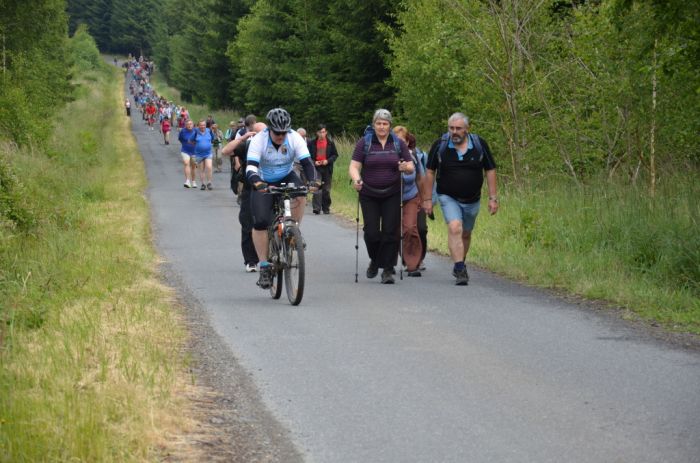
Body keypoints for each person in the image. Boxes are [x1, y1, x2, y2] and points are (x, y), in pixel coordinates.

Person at [246, 108, 318, 289]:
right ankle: (263, 265)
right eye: (277, 133)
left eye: (283, 132)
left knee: (301, 192)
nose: (280, 136)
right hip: (262, 179)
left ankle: (294, 230)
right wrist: (258, 183)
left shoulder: (295, 138)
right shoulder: (258, 140)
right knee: (261, 221)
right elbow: (251, 168)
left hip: (286, 175)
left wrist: (312, 181)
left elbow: (307, 163)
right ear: (270, 129)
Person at [424, 112, 498, 285]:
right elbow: (429, 171)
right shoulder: (440, 145)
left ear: (467, 129)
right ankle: (459, 268)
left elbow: (490, 170)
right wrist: (428, 199)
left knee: (466, 232)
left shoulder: (479, 145)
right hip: (447, 195)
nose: (454, 132)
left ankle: (461, 262)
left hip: (473, 198)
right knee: (455, 227)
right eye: (451, 128)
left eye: (458, 128)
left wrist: (493, 198)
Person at [348, 109, 414, 284]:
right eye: (379, 123)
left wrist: (404, 167)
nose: (382, 127)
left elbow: (410, 166)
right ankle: (376, 260)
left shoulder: (398, 143)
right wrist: (357, 179)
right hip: (369, 193)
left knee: (390, 232)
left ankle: (388, 269)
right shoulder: (365, 143)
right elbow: (354, 166)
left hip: (392, 192)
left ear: (390, 125)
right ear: (374, 124)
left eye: (385, 124)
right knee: (371, 233)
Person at [222, 123, 263, 272]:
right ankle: (251, 261)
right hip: (250, 188)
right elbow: (225, 151)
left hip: (269, 188)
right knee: (247, 223)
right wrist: (243, 138)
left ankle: (273, 255)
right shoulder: (247, 145)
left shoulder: (272, 145)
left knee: (270, 221)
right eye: (258, 133)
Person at [393, 125, 427, 277]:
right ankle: (391, 261)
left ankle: (413, 263)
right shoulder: (387, 156)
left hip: (411, 197)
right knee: (394, 230)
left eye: (402, 141)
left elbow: (420, 179)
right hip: (392, 197)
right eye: (395, 141)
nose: (399, 144)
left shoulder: (414, 157)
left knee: (410, 228)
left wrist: (425, 199)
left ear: (407, 142)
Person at [308, 124, 339, 215]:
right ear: (317, 133)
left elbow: (335, 155)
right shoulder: (312, 143)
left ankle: (326, 208)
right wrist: (314, 162)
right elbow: (307, 156)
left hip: (327, 168)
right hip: (316, 168)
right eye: (320, 132)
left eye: (324, 132)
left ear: (326, 132)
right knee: (317, 187)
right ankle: (317, 208)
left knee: (326, 189)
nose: (322, 134)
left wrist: (328, 161)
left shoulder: (330, 143)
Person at [191, 120, 215, 190]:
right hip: (199, 154)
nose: (202, 126)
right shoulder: (196, 132)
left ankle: (209, 183)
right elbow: (190, 140)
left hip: (208, 153)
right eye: (201, 125)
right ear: (198, 126)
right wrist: (197, 145)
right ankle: (203, 184)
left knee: (209, 167)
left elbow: (212, 139)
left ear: (205, 125)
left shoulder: (209, 131)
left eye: (204, 125)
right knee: (201, 169)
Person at [178, 119, 198, 188]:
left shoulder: (196, 131)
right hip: (185, 150)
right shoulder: (183, 131)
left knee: (193, 167)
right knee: (186, 163)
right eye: (188, 124)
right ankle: (187, 181)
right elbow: (180, 139)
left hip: (194, 151)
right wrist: (185, 144)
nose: (189, 125)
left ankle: (193, 181)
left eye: (190, 124)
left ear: (193, 125)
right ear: (185, 125)